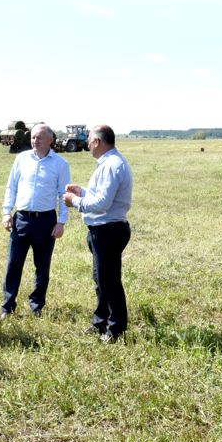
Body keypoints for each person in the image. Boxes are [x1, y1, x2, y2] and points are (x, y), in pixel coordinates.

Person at [62, 124, 133, 343]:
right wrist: (82, 192)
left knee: (109, 281)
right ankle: (100, 321)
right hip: (104, 230)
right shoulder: (110, 163)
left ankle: (116, 329)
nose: (87, 144)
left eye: (90, 140)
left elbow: (103, 203)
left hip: (108, 231)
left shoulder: (111, 165)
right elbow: (102, 195)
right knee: (101, 280)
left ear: (97, 142)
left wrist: (75, 201)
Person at [0, 123, 70, 320]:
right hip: (21, 219)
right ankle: (7, 306)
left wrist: (61, 222)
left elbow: (63, 194)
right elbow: (11, 187)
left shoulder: (60, 164)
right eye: (32, 137)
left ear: (50, 140)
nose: (34, 141)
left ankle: (36, 305)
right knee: (14, 264)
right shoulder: (21, 159)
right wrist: (6, 213)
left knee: (42, 266)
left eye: (39, 137)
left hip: (46, 221)